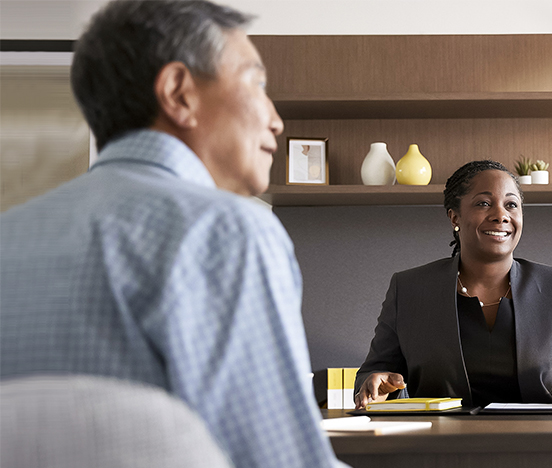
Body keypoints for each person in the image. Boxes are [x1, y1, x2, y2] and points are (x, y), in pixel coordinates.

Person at [0, 1, 346, 467]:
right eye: (258, 83)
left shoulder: (10, 234)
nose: (276, 119)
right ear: (180, 93)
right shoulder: (226, 231)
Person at [354, 160, 552, 409]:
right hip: (438, 448)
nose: (500, 214)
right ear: (455, 216)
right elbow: (374, 373)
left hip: (541, 448)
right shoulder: (409, 288)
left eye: (511, 204)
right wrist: (374, 383)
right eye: (483, 203)